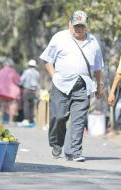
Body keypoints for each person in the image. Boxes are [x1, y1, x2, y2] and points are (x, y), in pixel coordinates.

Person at [40, 10, 104, 162]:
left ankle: (73, 151)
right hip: (61, 84)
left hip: (83, 85)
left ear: (87, 27)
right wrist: (54, 76)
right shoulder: (59, 38)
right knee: (58, 117)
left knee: (78, 119)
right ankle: (56, 144)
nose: (78, 29)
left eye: (82, 26)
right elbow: (47, 59)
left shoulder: (93, 42)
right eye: (76, 25)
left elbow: (98, 67)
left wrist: (100, 84)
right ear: (69, 24)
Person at [0, 58, 20, 124]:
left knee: (2, 106)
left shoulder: (1, 71)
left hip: (1, 91)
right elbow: (17, 81)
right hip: (11, 92)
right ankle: (11, 120)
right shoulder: (13, 71)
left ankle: (1, 120)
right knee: (12, 105)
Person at [20, 59, 40, 124]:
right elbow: (38, 82)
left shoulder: (26, 72)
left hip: (27, 90)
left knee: (26, 104)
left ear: (29, 65)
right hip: (34, 91)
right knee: (32, 105)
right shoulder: (37, 73)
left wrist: (20, 85)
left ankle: (26, 119)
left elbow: (21, 80)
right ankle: (31, 119)